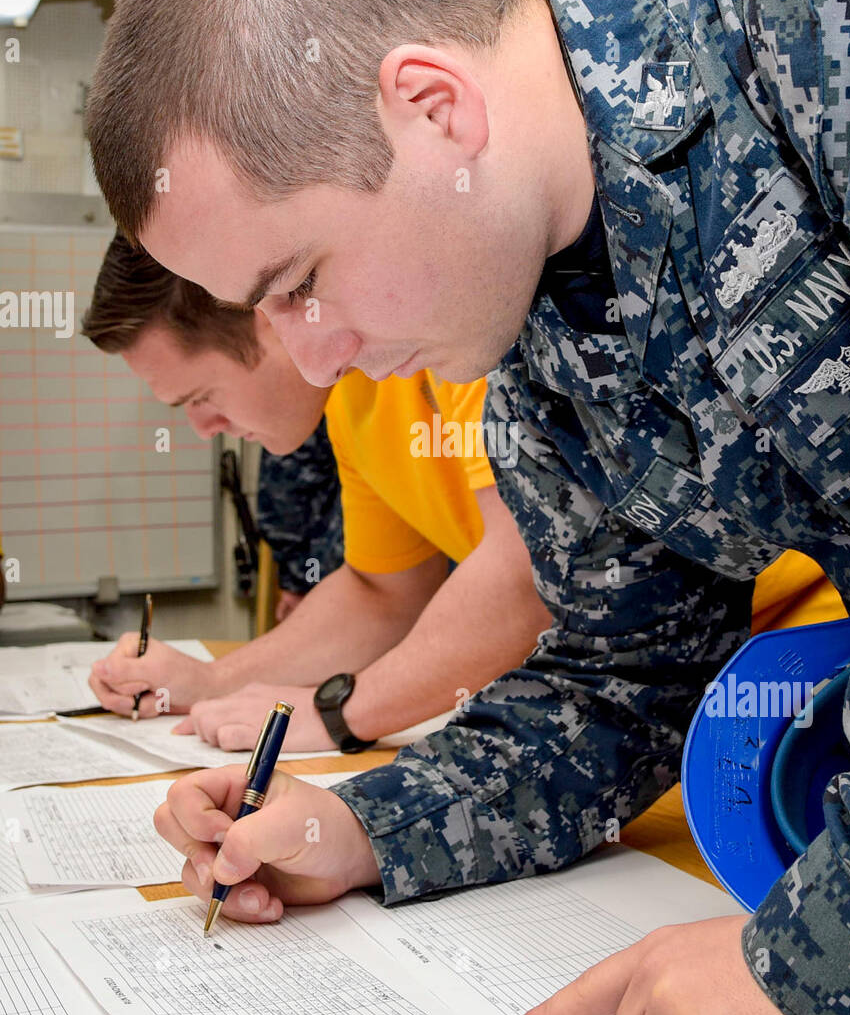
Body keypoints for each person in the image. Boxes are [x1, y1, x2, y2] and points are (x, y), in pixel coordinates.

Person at [84, 0, 850, 1015]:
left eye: (300, 278)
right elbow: (614, 688)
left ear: (433, 106)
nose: (311, 357)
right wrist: (358, 824)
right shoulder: (534, 333)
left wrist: (829, 963)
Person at [82, 236, 552, 751]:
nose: (202, 428)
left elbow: (527, 569)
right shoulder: (351, 397)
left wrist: (336, 712)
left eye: (202, 397)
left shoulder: (443, 338)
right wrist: (214, 681)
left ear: (265, 314)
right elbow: (384, 595)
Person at [258, 423, 344, 623]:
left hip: (333, 575)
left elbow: (285, 494)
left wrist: (297, 581)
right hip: (399, 567)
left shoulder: (307, 400)